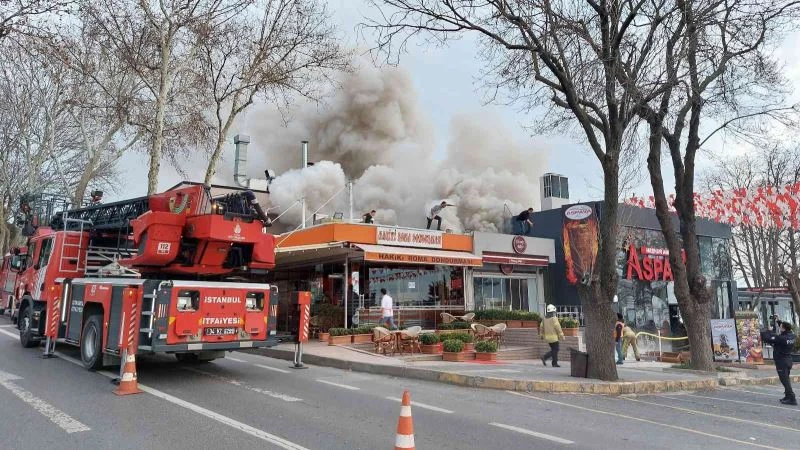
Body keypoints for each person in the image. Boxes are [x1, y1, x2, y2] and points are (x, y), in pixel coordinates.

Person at [762, 319, 796, 405]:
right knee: (786, 378)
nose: (779, 327)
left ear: (783, 329)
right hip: (788, 360)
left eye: (780, 327)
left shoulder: (781, 338)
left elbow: (767, 338)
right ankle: (787, 396)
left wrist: (768, 331)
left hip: (782, 362)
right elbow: (787, 328)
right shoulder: (792, 336)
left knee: (785, 381)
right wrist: (778, 321)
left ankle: (792, 398)